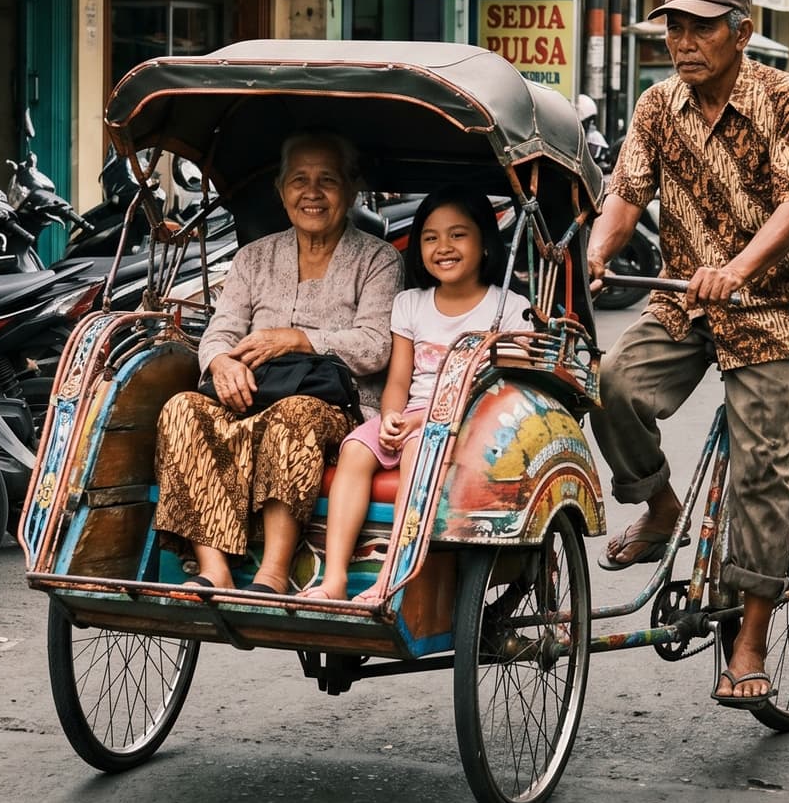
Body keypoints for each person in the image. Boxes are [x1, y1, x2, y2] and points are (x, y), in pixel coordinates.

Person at [585, 0, 789, 711]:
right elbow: (625, 195)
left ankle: (751, 641)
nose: (683, 42)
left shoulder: (787, 100)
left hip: (778, 305)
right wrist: (598, 249)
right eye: (674, 27)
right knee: (609, 382)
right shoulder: (659, 105)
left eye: (700, 27)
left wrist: (738, 268)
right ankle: (660, 505)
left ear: (742, 31)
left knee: (761, 469)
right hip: (686, 301)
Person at [154, 133, 403, 594]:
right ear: (281, 190)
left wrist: (300, 339)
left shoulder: (377, 259)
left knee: (294, 415)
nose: (312, 192)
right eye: (299, 180)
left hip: (332, 407)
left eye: (327, 180)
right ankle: (215, 569)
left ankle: (273, 572)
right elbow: (220, 333)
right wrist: (222, 363)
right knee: (181, 410)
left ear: (350, 191)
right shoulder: (254, 258)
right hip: (251, 395)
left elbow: (374, 347)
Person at [303, 189, 530, 602]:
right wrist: (390, 417)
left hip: (472, 424)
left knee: (414, 452)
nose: (443, 247)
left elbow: (500, 393)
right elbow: (398, 380)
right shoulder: (410, 304)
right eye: (430, 238)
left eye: (457, 235)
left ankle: (392, 575)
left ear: (484, 243)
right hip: (409, 416)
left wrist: (421, 424)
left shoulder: (509, 309)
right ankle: (333, 578)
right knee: (356, 448)